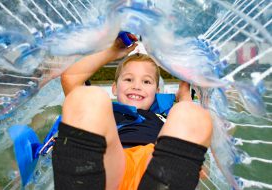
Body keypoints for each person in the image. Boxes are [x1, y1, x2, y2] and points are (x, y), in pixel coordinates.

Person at [52, 33, 213, 190]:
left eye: (146, 81)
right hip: (109, 167)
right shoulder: (106, 113)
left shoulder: (165, 118)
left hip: (154, 170)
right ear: (114, 88)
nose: (136, 86)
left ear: (156, 91)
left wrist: (184, 94)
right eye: (128, 79)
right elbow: (70, 78)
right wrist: (112, 51)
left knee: (192, 114)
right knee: (88, 98)